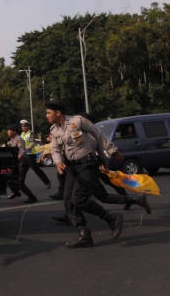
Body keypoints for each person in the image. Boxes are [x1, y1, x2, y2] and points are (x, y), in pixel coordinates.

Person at [46, 99, 124, 248]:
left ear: (58, 112)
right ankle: (84, 234)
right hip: (72, 167)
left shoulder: (78, 121)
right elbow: (55, 149)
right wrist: (58, 162)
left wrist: (113, 151)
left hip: (88, 164)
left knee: (79, 199)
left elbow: (98, 134)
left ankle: (111, 218)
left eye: (48, 113)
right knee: (68, 200)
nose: (46, 116)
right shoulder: (54, 130)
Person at [6, 123, 37, 203]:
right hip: (17, 163)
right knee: (9, 178)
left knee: (20, 182)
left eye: (9, 130)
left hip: (23, 162)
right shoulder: (12, 139)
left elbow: (22, 151)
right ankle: (16, 192)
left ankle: (32, 197)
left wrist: (15, 160)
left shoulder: (18, 139)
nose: (8, 132)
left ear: (14, 131)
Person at [20, 120, 51, 189]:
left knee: (36, 169)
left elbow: (31, 143)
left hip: (31, 154)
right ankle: (20, 184)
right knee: (22, 170)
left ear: (28, 126)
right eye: (22, 126)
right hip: (24, 155)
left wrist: (27, 148)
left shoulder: (31, 134)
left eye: (25, 126)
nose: (23, 127)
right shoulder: (22, 134)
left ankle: (47, 182)